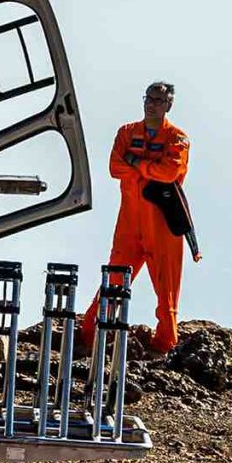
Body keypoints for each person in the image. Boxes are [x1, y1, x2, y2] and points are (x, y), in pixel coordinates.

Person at [77, 81, 205, 356]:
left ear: (168, 105)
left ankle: (165, 344)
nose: (151, 103)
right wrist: (149, 169)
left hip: (161, 223)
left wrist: (135, 165)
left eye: (158, 100)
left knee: (166, 289)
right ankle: (88, 335)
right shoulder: (127, 132)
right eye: (149, 98)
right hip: (129, 222)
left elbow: (170, 172)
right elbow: (114, 166)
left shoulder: (177, 137)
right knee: (114, 277)